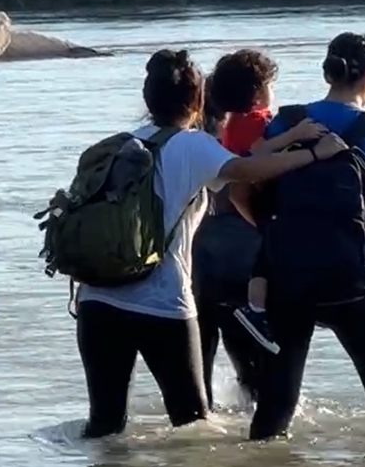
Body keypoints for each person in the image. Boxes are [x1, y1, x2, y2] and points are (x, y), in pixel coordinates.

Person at [72, 48, 350, 439]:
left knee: (104, 425)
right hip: (161, 304)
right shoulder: (192, 145)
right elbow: (248, 171)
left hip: (96, 301)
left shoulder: (117, 144)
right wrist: (314, 153)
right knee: (192, 427)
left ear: (148, 99)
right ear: (199, 100)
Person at [244, 32, 365, 440]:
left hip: (287, 278)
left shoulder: (287, 123)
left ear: (327, 73)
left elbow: (248, 184)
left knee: (277, 402)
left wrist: (278, 234)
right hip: (352, 281)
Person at [193, 50, 325, 406]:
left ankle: (201, 427)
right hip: (243, 256)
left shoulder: (198, 138)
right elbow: (248, 185)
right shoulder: (256, 129)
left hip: (197, 259)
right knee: (256, 373)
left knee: (198, 370)